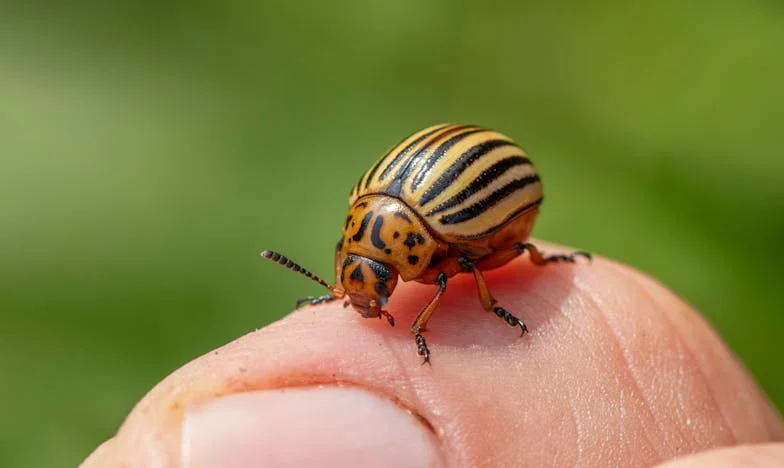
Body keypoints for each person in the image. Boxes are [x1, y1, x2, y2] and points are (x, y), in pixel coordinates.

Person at [81, 242, 783, 467]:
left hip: (478, 218)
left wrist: (438, 323)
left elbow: (472, 265)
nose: (366, 299)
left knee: (470, 269)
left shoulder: (443, 260)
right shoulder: (399, 245)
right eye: (355, 284)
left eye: (368, 284)